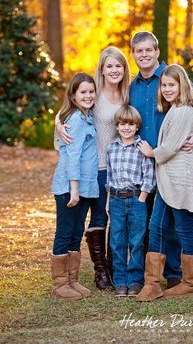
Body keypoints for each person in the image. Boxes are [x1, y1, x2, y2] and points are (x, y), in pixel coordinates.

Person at [129, 31, 193, 289]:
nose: (143, 55)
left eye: (148, 50)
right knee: (152, 218)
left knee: (175, 218)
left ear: (157, 51)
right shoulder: (132, 86)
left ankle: (175, 273)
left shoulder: (172, 77)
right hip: (143, 162)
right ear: (133, 54)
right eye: (138, 51)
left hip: (171, 159)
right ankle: (147, 274)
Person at [56, 47, 130, 290]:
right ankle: (100, 272)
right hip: (95, 168)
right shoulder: (94, 93)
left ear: (124, 68)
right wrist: (58, 124)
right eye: (109, 66)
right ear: (102, 68)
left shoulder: (129, 94)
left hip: (120, 167)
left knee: (115, 218)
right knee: (97, 217)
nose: (114, 70)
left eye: (118, 65)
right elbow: (69, 109)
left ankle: (112, 266)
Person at [136, 64, 193, 302]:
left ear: (181, 85)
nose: (166, 89)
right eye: (163, 85)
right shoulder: (173, 109)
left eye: (171, 84)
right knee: (157, 227)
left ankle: (191, 282)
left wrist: (150, 152)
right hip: (167, 180)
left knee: (184, 228)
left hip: (181, 179)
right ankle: (152, 283)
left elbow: (171, 147)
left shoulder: (185, 110)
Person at [51, 73, 97, 300]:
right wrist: (75, 189)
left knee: (76, 232)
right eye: (83, 92)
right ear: (73, 95)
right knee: (65, 232)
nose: (88, 96)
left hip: (86, 186)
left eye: (91, 91)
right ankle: (60, 284)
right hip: (70, 187)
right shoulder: (76, 120)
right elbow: (72, 155)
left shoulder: (87, 116)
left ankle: (73, 280)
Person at [106, 105, 156, 297]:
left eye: (130, 124)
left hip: (137, 199)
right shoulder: (112, 148)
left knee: (136, 242)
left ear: (137, 127)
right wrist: (110, 199)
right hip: (117, 200)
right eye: (122, 124)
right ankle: (120, 281)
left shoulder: (142, 147)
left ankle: (135, 281)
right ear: (117, 127)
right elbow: (109, 176)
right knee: (117, 241)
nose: (126, 128)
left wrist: (142, 198)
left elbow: (149, 175)